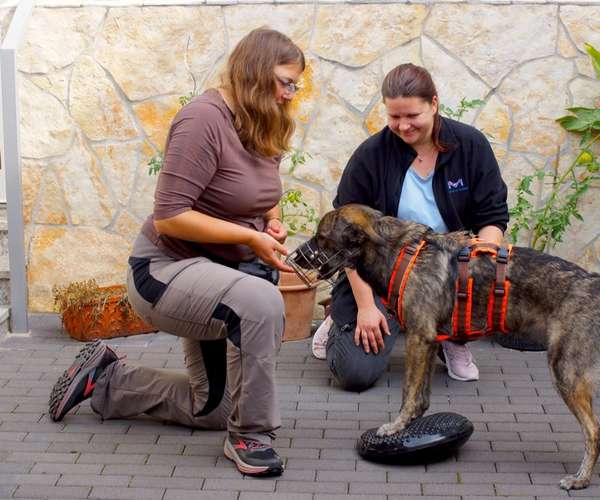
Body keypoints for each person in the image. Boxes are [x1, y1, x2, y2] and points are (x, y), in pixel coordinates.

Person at [48, 28, 305, 478]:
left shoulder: (261, 119)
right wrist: (248, 239)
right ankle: (251, 434)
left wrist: (271, 222)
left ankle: (107, 378)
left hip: (215, 276)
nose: (290, 93)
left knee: (211, 407)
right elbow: (170, 216)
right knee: (261, 302)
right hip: (164, 270)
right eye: (285, 81)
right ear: (255, 73)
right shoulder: (202, 120)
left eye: (296, 85)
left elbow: (263, 192)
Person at [312, 63, 509, 391]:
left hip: (445, 270)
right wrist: (364, 306)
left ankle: (449, 336)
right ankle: (339, 317)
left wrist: (481, 261)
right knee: (355, 374)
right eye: (394, 117)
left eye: (412, 116)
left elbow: (493, 217)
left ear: (434, 103)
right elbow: (345, 237)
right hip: (380, 276)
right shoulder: (371, 155)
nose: (403, 126)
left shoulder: (470, 146)